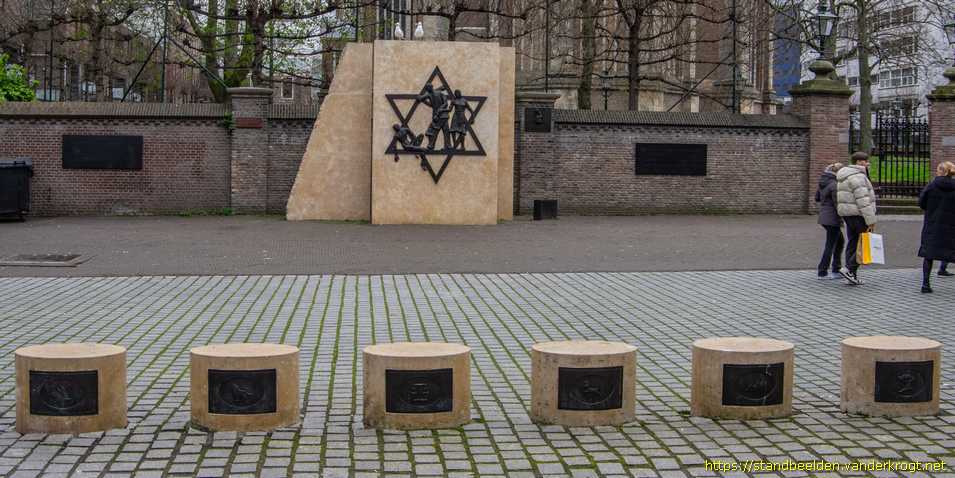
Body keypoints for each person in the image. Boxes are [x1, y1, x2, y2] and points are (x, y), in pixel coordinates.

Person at [836, 151, 877, 285]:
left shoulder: (844, 175)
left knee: (853, 243)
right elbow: (863, 200)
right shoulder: (858, 177)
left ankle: (851, 275)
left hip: (848, 215)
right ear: (859, 162)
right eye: (866, 161)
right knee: (863, 244)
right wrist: (870, 220)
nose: (868, 163)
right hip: (859, 215)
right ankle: (849, 269)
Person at [917, 161, 955, 293]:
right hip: (951, 224)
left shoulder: (932, 186)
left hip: (933, 223)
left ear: (940, 170)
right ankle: (943, 268)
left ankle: (925, 284)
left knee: (929, 254)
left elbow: (921, 203)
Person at [816, 163, 845, 279]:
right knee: (831, 245)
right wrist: (844, 217)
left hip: (824, 217)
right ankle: (823, 272)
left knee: (839, 242)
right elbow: (838, 204)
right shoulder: (835, 185)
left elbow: (817, 198)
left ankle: (836, 268)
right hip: (832, 218)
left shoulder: (823, 182)